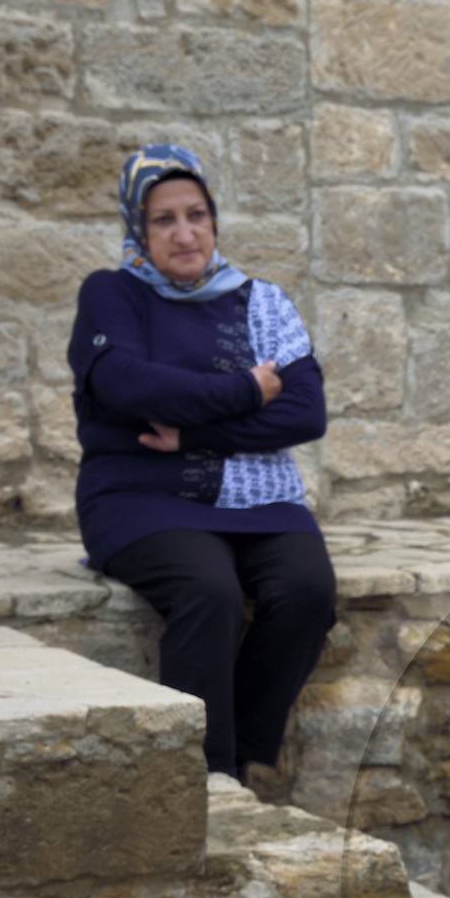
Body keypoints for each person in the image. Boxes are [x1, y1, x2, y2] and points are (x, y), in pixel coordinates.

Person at [68, 142, 337, 780]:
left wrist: (191, 436)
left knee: (308, 591)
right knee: (208, 591)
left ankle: (241, 754)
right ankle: (204, 778)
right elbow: (127, 386)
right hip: (140, 497)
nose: (184, 234)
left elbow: (304, 412)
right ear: (139, 227)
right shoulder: (112, 295)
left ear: (215, 219)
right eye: (164, 219)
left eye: (196, 214)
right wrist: (245, 390)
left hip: (259, 493)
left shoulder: (261, 301)